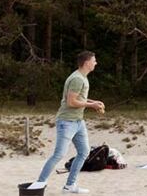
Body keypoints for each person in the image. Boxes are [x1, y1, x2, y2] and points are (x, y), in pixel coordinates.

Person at [27, 51, 106, 194]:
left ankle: (70, 185)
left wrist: (93, 102)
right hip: (67, 122)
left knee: (84, 152)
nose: (96, 63)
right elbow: (71, 102)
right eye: (94, 60)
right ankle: (39, 183)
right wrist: (91, 106)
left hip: (78, 122)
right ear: (87, 62)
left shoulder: (81, 77)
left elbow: (78, 97)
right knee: (59, 154)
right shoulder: (77, 79)